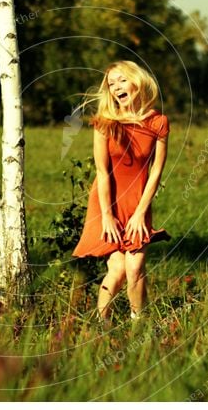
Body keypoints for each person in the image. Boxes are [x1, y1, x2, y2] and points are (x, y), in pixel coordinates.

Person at [72, 60, 170, 321]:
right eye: (111, 84)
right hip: (107, 202)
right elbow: (102, 173)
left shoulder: (158, 122)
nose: (116, 88)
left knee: (135, 265)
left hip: (138, 202)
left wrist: (140, 213)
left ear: (136, 81)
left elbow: (156, 172)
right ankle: (102, 324)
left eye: (121, 80)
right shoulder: (105, 123)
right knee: (117, 267)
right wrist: (107, 215)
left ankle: (138, 321)